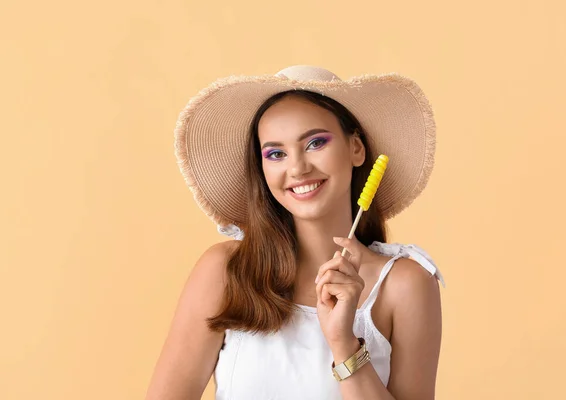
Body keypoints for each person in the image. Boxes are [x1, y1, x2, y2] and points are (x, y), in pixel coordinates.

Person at [146, 65, 446, 400]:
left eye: (316, 142)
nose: (298, 168)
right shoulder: (225, 271)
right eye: (276, 153)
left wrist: (343, 343)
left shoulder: (405, 285)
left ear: (356, 149)